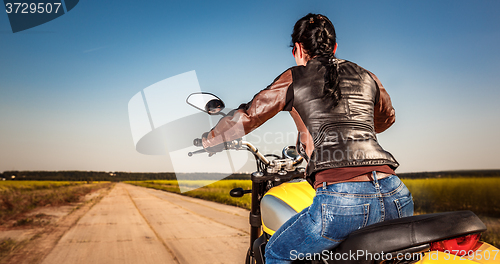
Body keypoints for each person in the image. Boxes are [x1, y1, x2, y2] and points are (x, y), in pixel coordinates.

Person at [201, 13, 414, 264]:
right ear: (334, 47)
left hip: (343, 201)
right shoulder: (367, 75)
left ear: (298, 49)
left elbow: (248, 116)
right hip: (396, 193)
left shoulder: (295, 77)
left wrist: (210, 139)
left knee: (277, 252)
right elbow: (386, 118)